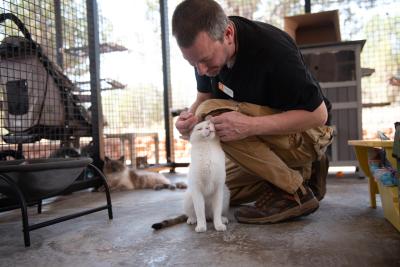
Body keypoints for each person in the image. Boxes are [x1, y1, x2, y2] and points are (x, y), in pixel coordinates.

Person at [172, 0, 333, 224]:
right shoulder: (204, 56)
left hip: (309, 133)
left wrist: (248, 126)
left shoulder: (273, 49)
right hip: (265, 139)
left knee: (211, 113)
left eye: (205, 61)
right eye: (193, 64)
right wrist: (189, 118)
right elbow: (203, 98)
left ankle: (295, 190)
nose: (202, 70)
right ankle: (305, 174)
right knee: (216, 188)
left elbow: (318, 115)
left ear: (227, 34)